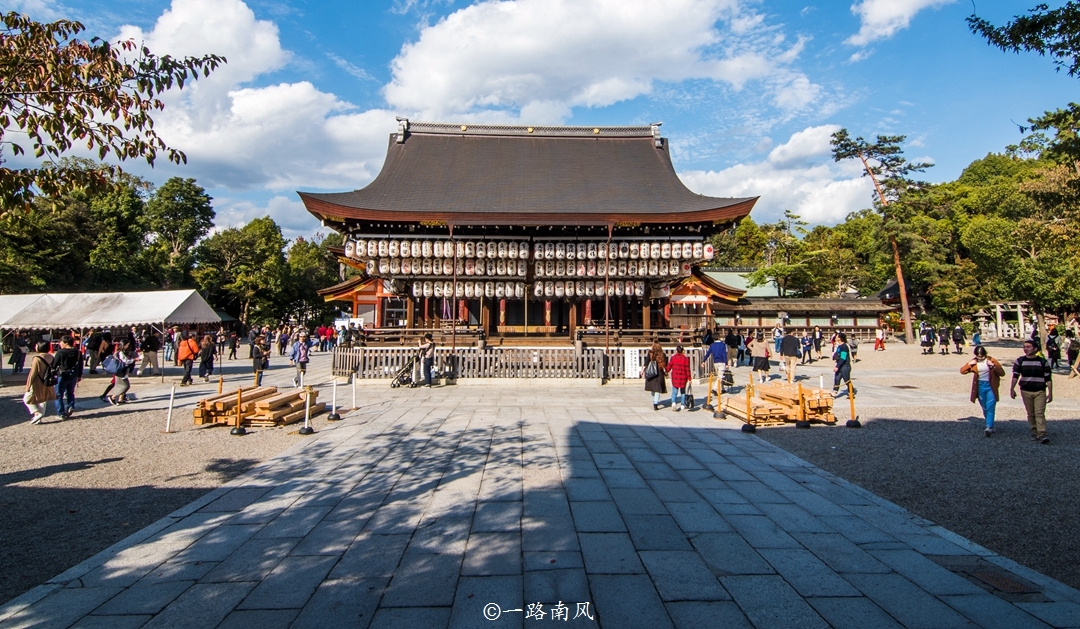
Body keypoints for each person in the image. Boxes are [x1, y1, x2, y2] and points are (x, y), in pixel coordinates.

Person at [1011, 339, 1053, 444]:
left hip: (1040, 390)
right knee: (1031, 413)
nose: (1026, 349)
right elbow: (1015, 375)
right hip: (1026, 390)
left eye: (1028, 347)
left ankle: (1042, 433)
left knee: (1039, 412)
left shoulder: (1042, 362)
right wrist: (1012, 388)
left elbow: (1048, 378)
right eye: (1024, 347)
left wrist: (1050, 393)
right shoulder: (1020, 361)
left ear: (1035, 348)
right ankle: (1034, 430)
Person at [960, 346, 1006, 437]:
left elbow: (1002, 373)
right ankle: (989, 422)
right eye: (978, 356)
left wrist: (993, 366)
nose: (980, 358)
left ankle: (989, 426)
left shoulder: (992, 360)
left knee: (990, 406)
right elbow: (962, 371)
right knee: (984, 406)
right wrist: (969, 364)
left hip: (991, 386)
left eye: (982, 356)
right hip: (980, 385)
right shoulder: (974, 362)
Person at [23, 341, 56, 424]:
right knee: (43, 400)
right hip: (47, 381)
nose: (35, 347)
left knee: (26, 399)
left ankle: (36, 413)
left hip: (37, 381)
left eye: (36, 345)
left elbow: (33, 373)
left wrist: (28, 385)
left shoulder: (37, 358)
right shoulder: (51, 357)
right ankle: (39, 419)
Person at [52, 335, 83, 418]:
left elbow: (54, 365)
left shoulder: (60, 352)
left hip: (62, 375)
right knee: (70, 392)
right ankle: (71, 406)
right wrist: (79, 375)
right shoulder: (78, 352)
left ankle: (61, 413)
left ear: (65, 343)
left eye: (61, 342)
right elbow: (80, 365)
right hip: (73, 375)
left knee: (58, 395)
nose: (60, 344)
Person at [643, 341, 667, 410]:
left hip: (651, 372)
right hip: (659, 372)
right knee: (657, 389)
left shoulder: (650, 353)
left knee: (652, 389)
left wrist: (643, 369)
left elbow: (646, 362)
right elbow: (665, 363)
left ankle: (654, 400)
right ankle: (655, 403)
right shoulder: (662, 354)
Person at [666, 345, 691, 411]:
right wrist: (689, 378)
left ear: (676, 351)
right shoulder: (685, 359)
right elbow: (687, 369)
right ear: (682, 351)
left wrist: (666, 371)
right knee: (683, 391)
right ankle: (682, 404)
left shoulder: (673, 358)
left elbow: (669, 365)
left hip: (675, 377)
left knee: (674, 391)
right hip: (683, 377)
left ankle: (674, 403)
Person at [832, 332, 853, 397]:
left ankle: (851, 392)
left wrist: (837, 366)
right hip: (839, 364)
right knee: (837, 378)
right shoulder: (839, 346)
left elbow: (843, 358)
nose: (836, 337)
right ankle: (835, 391)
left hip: (845, 366)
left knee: (846, 379)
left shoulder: (844, 346)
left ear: (840, 338)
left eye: (837, 336)